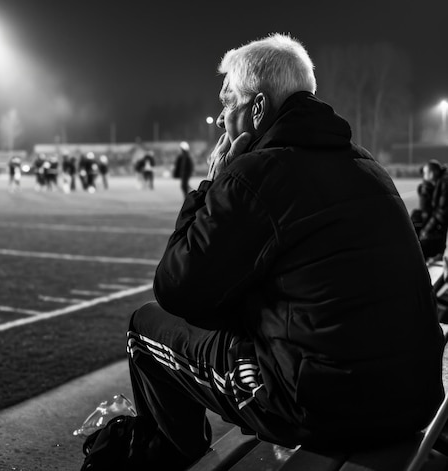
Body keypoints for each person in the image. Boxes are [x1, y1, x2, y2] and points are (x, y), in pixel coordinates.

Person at [122, 34, 444, 469]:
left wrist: (212, 184)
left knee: (145, 327)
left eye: (227, 101)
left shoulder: (255, 173)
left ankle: (183, 461)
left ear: (257, 109)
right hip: (413, 396)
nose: (219, 119)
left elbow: (177, 289)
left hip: (325, 408)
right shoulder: (368, 166)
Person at [418, 159, 448, 259]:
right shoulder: (441, 182)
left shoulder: (444, 182)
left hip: (443, 233)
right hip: (442, 231)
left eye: (425, 173)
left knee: (421, 245)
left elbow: (441, 213)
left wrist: (426, 231)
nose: (424, 176)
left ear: (431, 173)